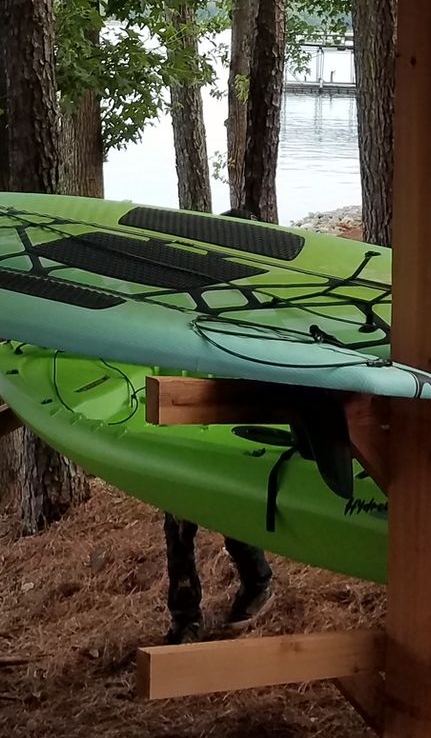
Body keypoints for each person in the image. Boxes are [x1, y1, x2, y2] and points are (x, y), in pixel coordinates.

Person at [160, 206, 275, 644]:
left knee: (229, 504)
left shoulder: (257, 299)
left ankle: (259, 581)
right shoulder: (190, 294)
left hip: (232, 422)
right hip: (186, 420)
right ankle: (185, 616)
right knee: (177, 515)